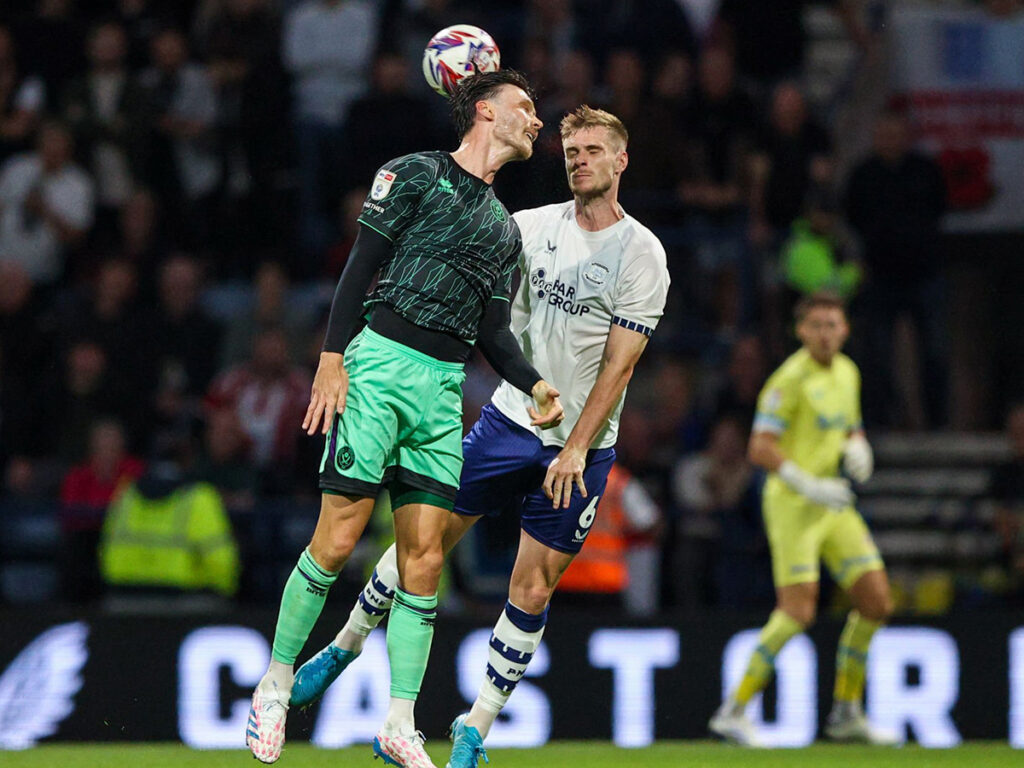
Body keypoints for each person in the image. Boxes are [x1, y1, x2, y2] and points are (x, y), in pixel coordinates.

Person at [288, 106, 670, 768]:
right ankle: (344, 645)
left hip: (581, 448)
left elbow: (620, 365)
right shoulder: (527, 228)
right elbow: (489, 319)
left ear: (621, 160)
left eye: (592, 150)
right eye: (571, 151)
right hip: (506, 423)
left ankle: (474, 728)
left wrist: (576, 446)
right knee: (425, 541)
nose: (579, 160)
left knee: (533, 588)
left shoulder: (642, 253)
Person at [245, 70, 558, 767]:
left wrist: (535, 384)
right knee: (337, 539)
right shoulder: (415, 173)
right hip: (380, 365)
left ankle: (398, 722)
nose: (537, 120)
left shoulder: (504, 231)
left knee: (425, 558)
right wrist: (332, 358)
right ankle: (274, 685)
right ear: (485, 110)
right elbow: (362, 264)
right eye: (525, 107)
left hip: (443, 390)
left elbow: (493, 332)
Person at [708, 291, 895, 746]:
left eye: (833, 325)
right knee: (797, 611)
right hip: (793, 504)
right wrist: (807, 483)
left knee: (876, 603)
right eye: (817, 326)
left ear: (845, 329)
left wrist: (858, 444)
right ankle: (733, 711)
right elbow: (759, 447)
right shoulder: (788, 379)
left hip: (833, 503)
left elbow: (848, 426)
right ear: (801, 331)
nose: (825, 334)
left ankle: (847, 712)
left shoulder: (848, 372)